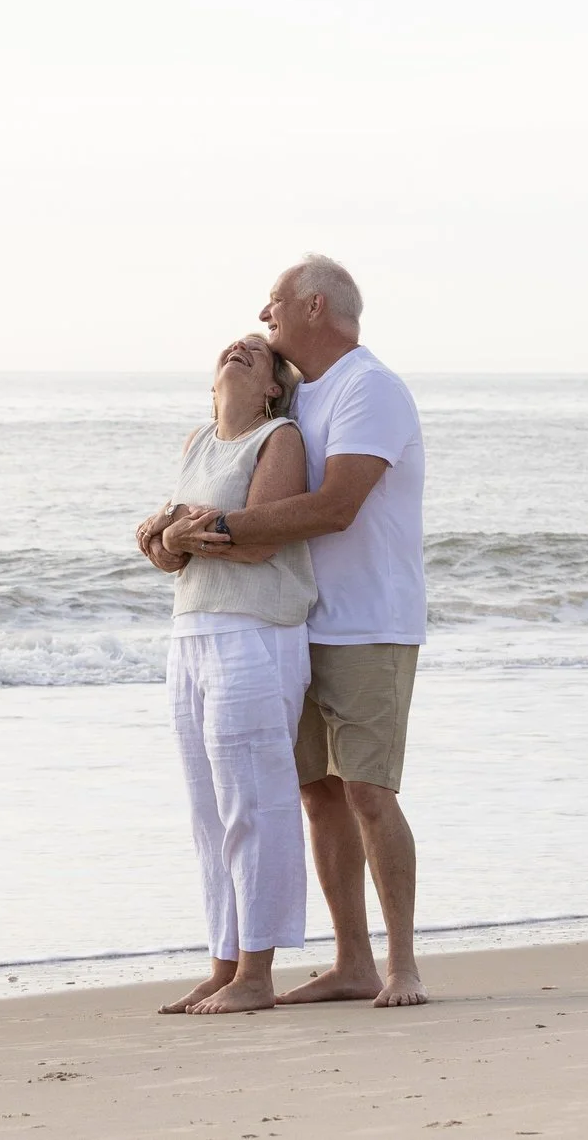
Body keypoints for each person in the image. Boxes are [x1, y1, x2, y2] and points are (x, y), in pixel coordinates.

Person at [164, 256, 430, 1008]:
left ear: (315, 306)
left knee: (370, 792)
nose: (264, 312)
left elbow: (337, 504)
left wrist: (213, 526)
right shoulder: (303, 397)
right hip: (299, 620)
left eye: (275, 302)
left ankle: (402, 962)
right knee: (317, 793)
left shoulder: (368, 388)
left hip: (371, 618)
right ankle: (351, 960)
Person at [135, 334, 319, 1015]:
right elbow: (173, 554)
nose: (241, 349)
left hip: (254, 631)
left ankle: (257, 972)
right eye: (232, 347)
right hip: (191, 633)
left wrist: (181, 533)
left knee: (256, 802)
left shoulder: (280, 437)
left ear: (273, 386)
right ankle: (223, 964)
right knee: (207, 813)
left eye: (258, 353)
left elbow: (263, 536)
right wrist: (164, 540)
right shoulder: (196, 443)